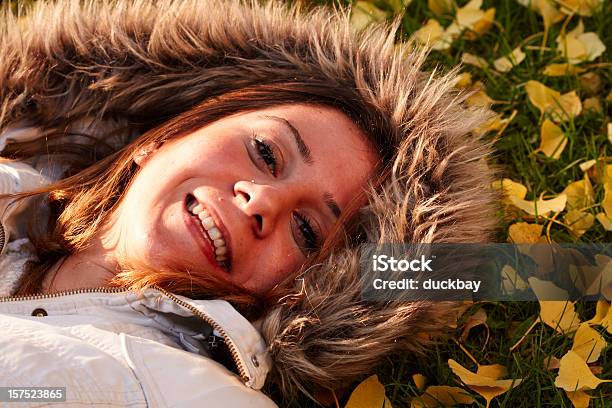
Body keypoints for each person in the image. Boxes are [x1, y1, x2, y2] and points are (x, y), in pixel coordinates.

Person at [0, 0, 498, 406]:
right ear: (168, 133)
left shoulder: (189, 393)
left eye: (306, 232)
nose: (262, 201)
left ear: (296, 292)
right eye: (265, 152)